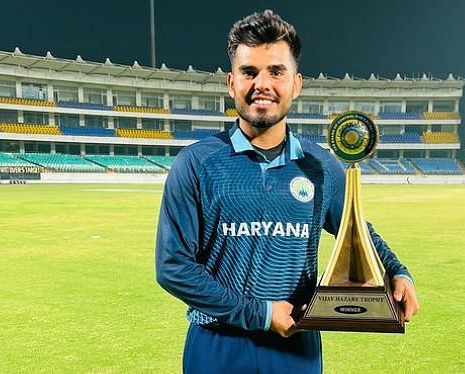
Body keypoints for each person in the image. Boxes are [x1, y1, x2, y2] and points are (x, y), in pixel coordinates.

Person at [156, 9, 419, 373]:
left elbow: (355, 230)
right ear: (232, 83)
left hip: (295, 344)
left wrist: (397, 272)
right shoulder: (196, 163)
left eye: (276, 71)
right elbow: (173, 267)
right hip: (217, 344)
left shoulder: (321, 165)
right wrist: (260, 313)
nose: (262, 83)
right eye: (250, 72)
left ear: (296, 84)